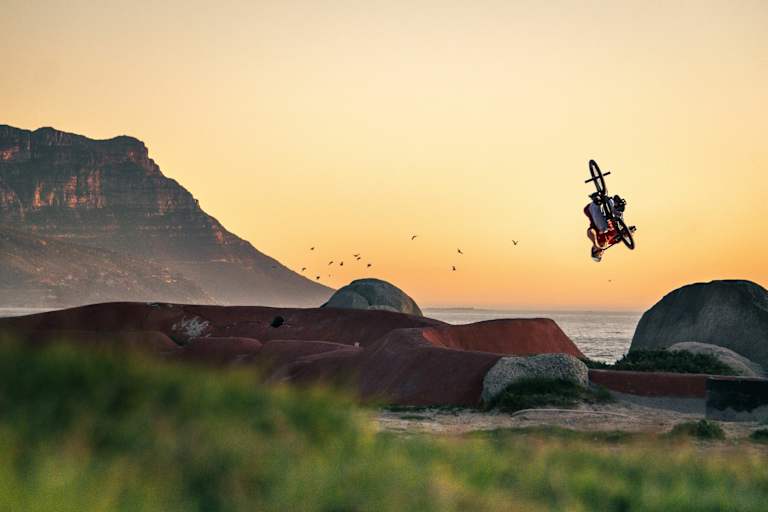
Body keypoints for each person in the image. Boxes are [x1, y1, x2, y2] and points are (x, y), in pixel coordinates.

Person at [584, 193, 625, 262]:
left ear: (593, 249)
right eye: (601, 254)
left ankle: (596, 201)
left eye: (597, 252)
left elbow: (590, 232)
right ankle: (617, 205)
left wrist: (596, 243)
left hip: (593, 211)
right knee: (619, 226)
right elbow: (623, 236)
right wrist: (629, 233)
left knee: (604, 229)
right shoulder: (611, 241)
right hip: (612, 217)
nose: (601, 252)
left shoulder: (596, 238)